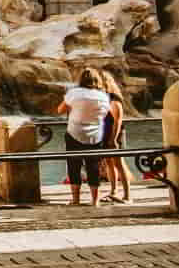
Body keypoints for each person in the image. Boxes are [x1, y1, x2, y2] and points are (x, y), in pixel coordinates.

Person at [56, 67, 109, 207]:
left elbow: (60, 110)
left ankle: (76, 199)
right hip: (95, 136)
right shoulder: (103, 96)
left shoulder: (74, 93)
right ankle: (95, 200)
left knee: (74, 166)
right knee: (94, 167)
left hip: (75, 133)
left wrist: (75, 108)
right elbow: (104, 114)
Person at [99, 72, 132, 204]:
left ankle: (127, 195)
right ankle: (113, 191)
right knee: (109, 163)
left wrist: (113, 139)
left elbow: (117, 122)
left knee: (119, 164)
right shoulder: (104, 98)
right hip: (105, 134)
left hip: (114, 135)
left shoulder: (114, 100)